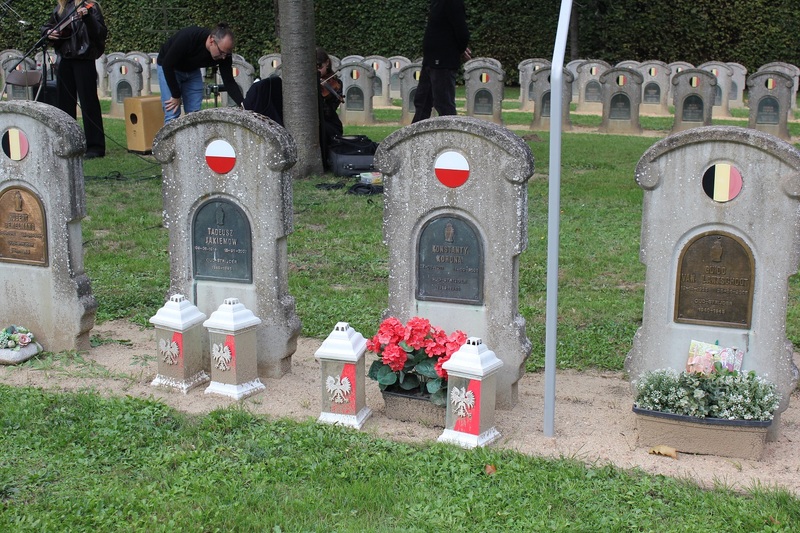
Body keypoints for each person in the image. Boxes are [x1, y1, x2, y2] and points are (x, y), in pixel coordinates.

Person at [42, 0, 108, 159]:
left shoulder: (90, 6)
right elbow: (47, 26)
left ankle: (95, 146)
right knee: (64, 103)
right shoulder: (60, 8)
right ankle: (69, 141)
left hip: (84, 60)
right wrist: (47, 32)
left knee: (88, 102)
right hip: (64, 59)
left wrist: (87, 18)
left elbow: (100, 33)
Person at [156, 23, 245, 124]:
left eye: (226, 54)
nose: (223, 57)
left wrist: (243, 104)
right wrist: (176, 95)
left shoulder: (224, 54)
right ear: (212, 41)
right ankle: (169, 140)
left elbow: (229, 81)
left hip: (192, 70)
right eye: (221, 52)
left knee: (194, 115)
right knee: (172, 113)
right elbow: (167, 64)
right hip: (169, 68)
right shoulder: (189, 37)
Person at [411, 0, 470, 123]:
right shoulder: (437, 2)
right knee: (422, 102)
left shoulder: (452, 2)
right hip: (430, 60)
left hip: (443, 60)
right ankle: (414, 138)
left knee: (443, 103)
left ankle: (452, 136)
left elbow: (461, 30)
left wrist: (460, 49)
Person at [316, 47, 343, 165]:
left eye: (319, 66)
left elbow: (329, 112)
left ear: (327, 63)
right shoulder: (307, 82)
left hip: (329, 123)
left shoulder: (335, 83)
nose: (316, 70)